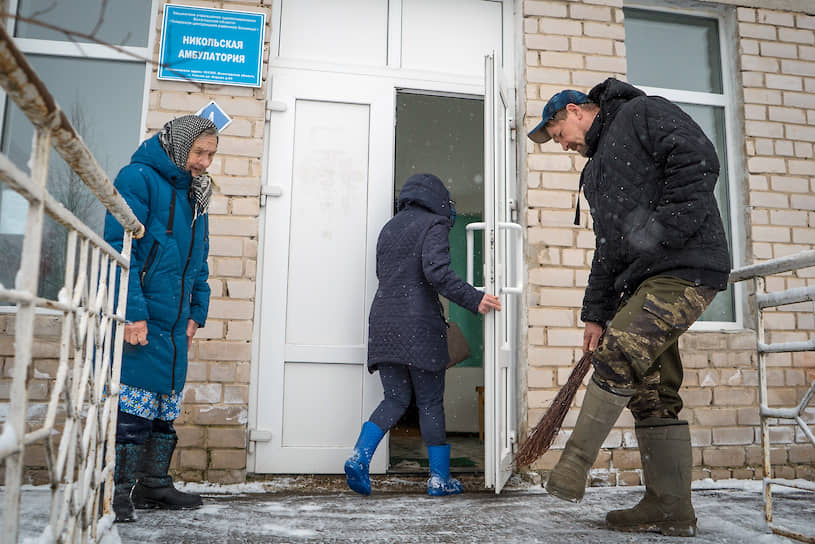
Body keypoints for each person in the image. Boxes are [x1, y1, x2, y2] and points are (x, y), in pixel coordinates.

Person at [527, 79, 731, 536]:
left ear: (578, 110)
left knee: (620, 353)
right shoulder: (596, 169)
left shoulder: (642, 114)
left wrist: (659, 232)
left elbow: (698, 160)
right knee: (651, 391)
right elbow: (608, 249)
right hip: (640, 283)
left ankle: (574, 462)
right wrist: (595, 313)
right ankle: (669, 508)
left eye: (557, 133)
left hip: (687, 266)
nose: (561, 145)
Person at [345, 172, 502, 497]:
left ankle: (359, 457)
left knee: (395, 398)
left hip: (384, 323)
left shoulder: (390, 227)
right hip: (418, 324)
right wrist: (475, 298)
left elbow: (384, 274)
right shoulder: (435, 224)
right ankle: (438, 479)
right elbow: (437, 272)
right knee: (430, 402)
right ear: (438, 200)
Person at [104, 115, 217, 522]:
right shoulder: (137, 178)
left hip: (175, 322)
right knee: (133, 413)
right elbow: (119, 249)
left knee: (164, 409)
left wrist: (197, 314)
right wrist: (132, 313)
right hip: (145, 315)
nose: (204, 162)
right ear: (177, 146)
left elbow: (199, 261)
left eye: (210, 155)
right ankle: (114, 492)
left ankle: (153, 485)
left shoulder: (196, 194)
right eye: (198, 152)